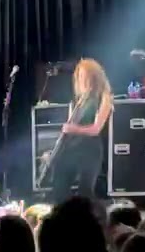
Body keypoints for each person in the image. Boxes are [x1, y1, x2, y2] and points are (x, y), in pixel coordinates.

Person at [48, 58, 113, 201]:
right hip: (72, 147)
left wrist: (73, 129)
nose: (81, 79)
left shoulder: (104, 97)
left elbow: (96, 129)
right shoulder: (80, 100)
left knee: (85, 191)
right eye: (79, 76)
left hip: (90, 150)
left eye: (85, 75)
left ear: (94, 77)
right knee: (59, 187)